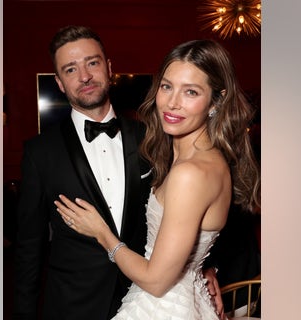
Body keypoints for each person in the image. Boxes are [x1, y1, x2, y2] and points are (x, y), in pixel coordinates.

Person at [13, 26, 223, 320]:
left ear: (109, 68)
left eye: (92, 62)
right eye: (71, 69)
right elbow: (28, 251)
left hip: (145, 299)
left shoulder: (155, 138)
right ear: (59, 83)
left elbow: (202, 213)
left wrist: (205, 269)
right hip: (73, 307)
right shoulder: (40, 153)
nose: (84, 76)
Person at [55, 39, 260, 319]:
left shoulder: (190, 173)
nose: (172, 103)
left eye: (191, 91)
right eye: (167, 86)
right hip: (179, 299)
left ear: (216, 100)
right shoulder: (186, 155)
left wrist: (102, 233)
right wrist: (202, 268)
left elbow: (157, 280)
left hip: (162, 305)